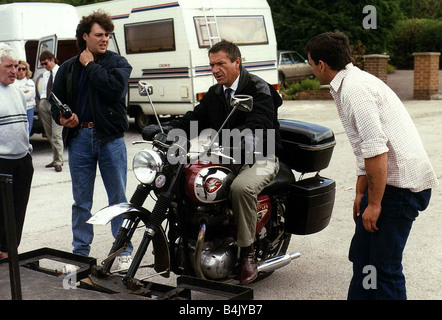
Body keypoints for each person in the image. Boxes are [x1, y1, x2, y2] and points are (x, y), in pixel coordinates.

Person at [305, 31, 439, 300]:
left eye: (311, 64)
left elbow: (377, 151)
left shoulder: (355, 90)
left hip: (400, 190)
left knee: (384, 268)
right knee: (363, 259)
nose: (311, 70)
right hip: (387, 185)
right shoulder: (351, 83)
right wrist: (360, 193)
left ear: (321, 65)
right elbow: (363, 149)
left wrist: (374, 203)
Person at [142, 40, 282, 284]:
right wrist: (166, 130)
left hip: (261, 156)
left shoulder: (259, 89)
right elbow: (195, 117)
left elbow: (259, 124)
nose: (215, 69)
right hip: (227, 155)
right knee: (188, 179)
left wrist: (241, 139)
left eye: (221, 63)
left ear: (237, 62)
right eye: (212, 65)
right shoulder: (216, 93)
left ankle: (248, 254)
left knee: (241, 188)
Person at [50, 11, 133, 271]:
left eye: (107, 35)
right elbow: (55, 101)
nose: (105, 39)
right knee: (81, 201)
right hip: (80, 138)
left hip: (110, 139)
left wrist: (90, 65)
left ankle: (123, 252)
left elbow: (112, 89)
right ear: (85, 36)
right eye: (99, 34)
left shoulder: (118, 63)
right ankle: (80, 255)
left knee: (118, 198)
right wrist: (63, 118)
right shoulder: (67, 68)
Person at [0, 44, 34, 259]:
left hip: (22, 161)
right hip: (2, 162)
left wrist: (28, 152)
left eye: (16, 66)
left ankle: (9, 250)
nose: (14, 70)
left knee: (17, 212)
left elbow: (23, 126)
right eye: (8, 66)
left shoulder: (18, 92)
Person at [39, 50, 63, 172]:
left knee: (56, 134)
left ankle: (59, 161)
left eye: (45, 63)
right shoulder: (45, 74)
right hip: (45, 102)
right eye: (42, 64)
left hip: (57, 104)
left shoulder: (61, 71)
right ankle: (55, 158)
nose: (44, 66)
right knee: (49, 133)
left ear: (52, 59)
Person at [13, 60, 36, 135]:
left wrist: (19, 93)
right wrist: (24, 92)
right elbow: (13, 96)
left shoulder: (30, 82)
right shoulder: (13, 83)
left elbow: (30, 95)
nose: (21, 71)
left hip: (28, 109)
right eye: (19, 69)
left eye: (23, 69)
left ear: (27, 70)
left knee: (27, 131)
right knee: (18, 132)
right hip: (17, 109)